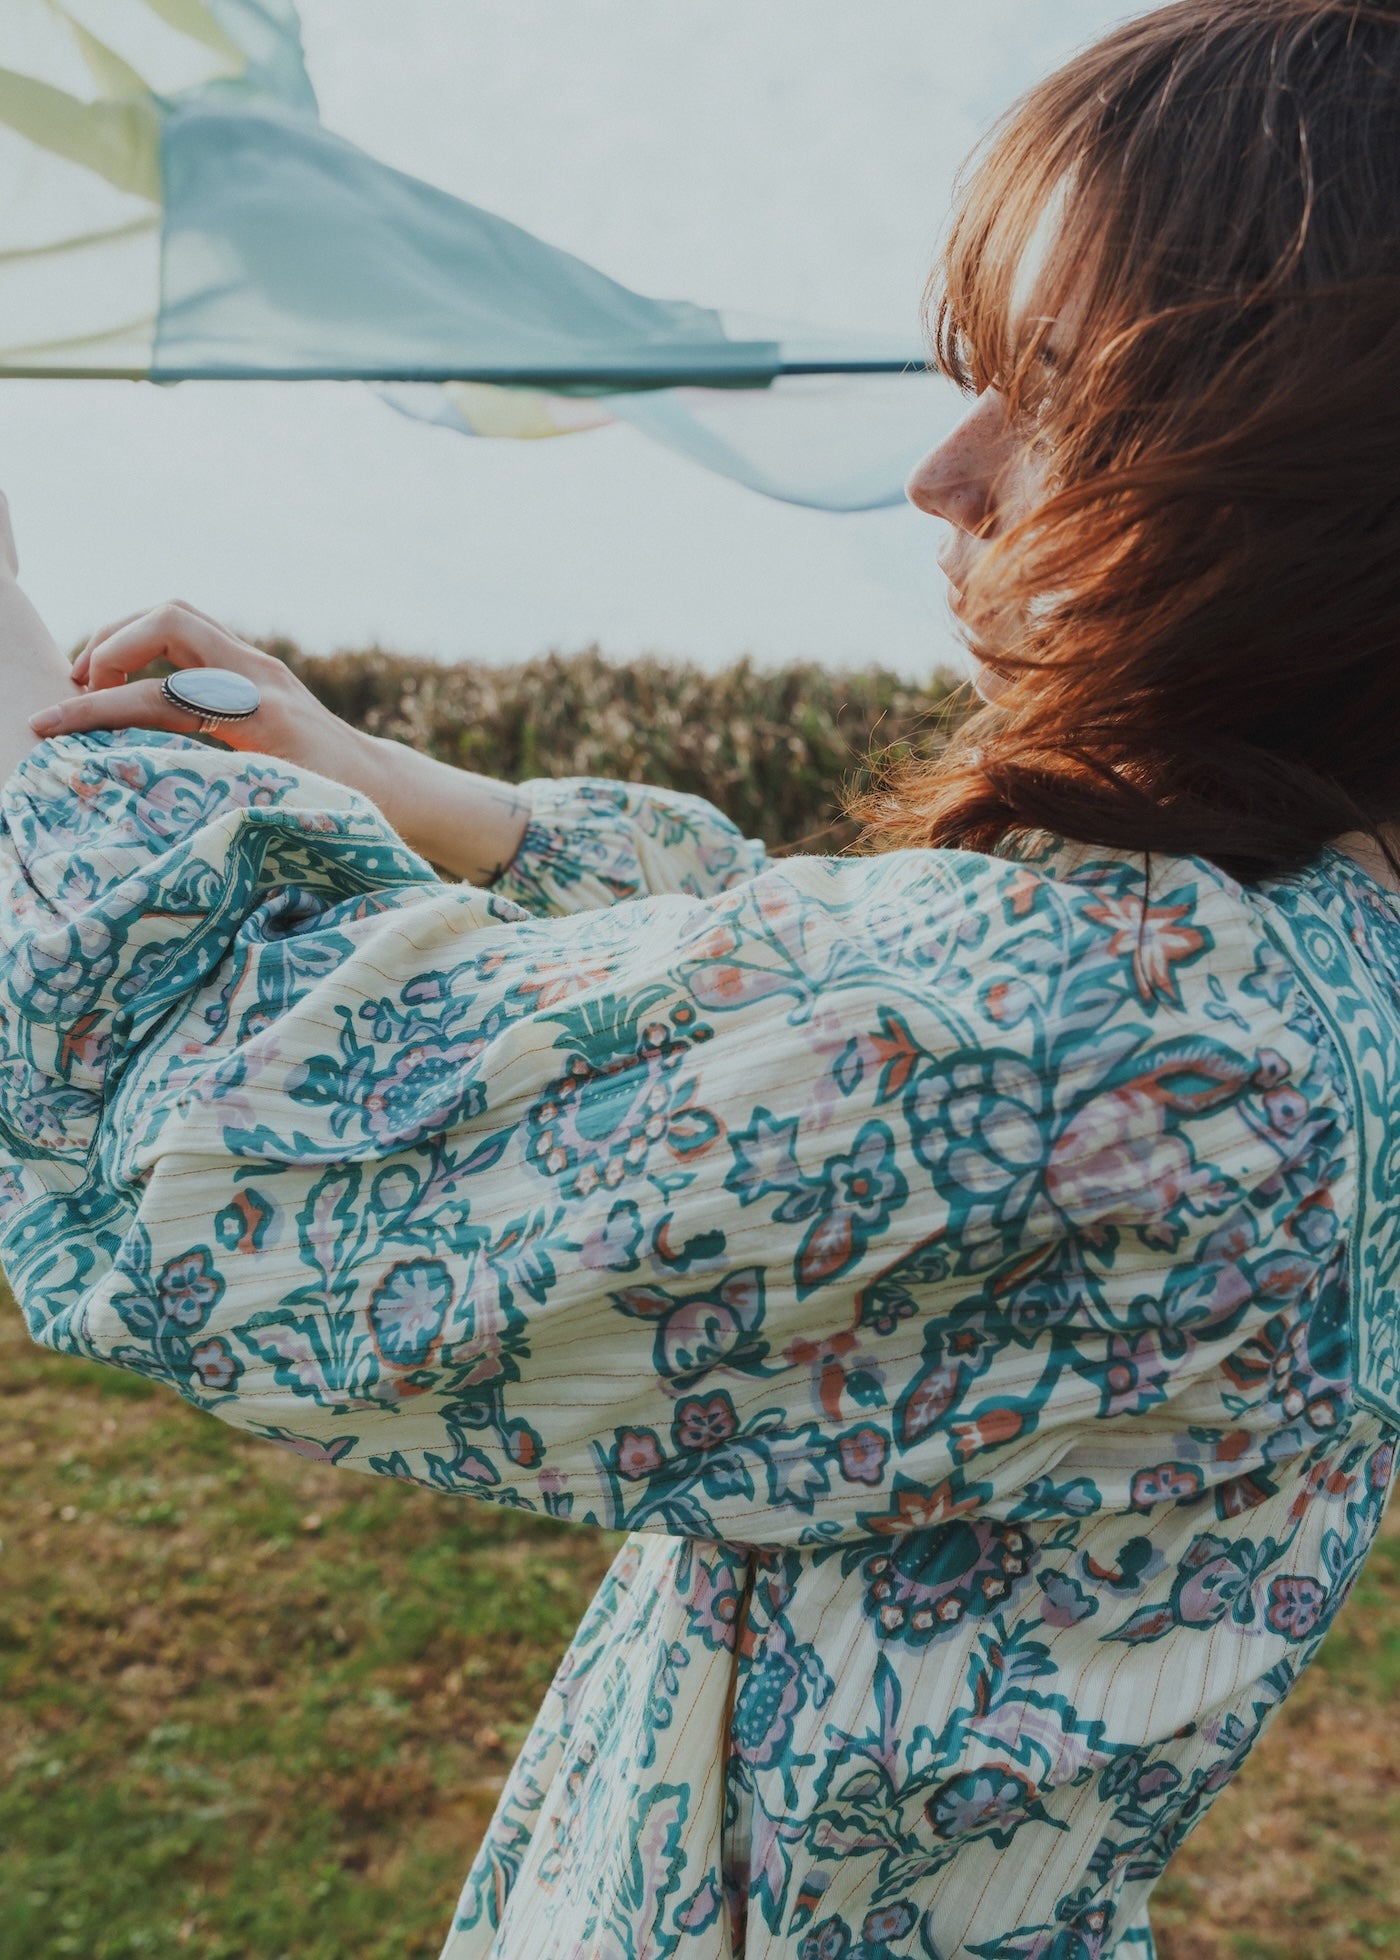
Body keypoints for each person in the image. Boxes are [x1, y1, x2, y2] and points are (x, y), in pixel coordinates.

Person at [3, 0, 1399, 1952]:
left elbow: (262, 1147)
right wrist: (421, 788)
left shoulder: (1119, 1029)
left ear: (1296, 483)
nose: (945, 469)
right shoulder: (1308, 963)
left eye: (1054, 395)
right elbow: (783, 967)